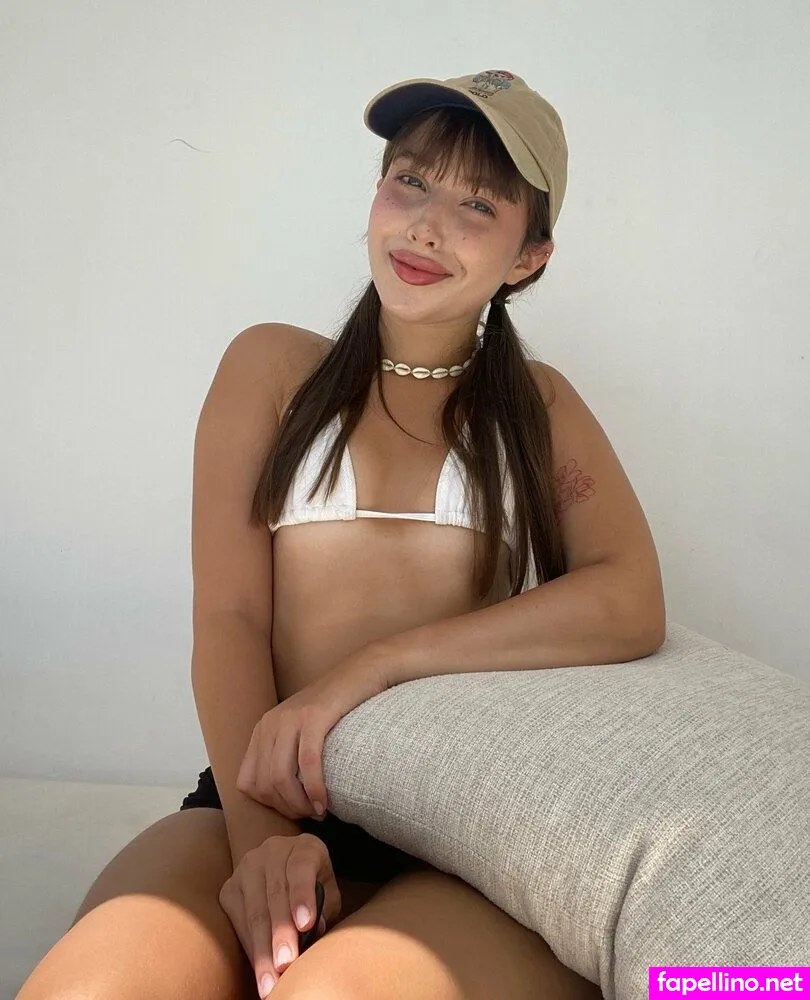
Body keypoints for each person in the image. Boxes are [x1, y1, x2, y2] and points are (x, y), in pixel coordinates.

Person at [19, 70, 664, 999]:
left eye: (478, 204)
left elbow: (630, 599)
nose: (426, 226)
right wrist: (264, 842)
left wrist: (376, 666)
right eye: (410, 180)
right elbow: (230, 619)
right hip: (256, 799)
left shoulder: (539, 407)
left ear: (530, 257)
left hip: (454, 837)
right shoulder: (273, 369)